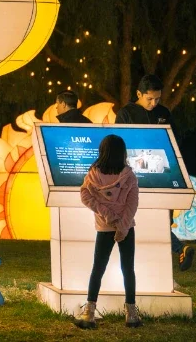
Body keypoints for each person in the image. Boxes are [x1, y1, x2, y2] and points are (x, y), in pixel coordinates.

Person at [113, 74, 193, 270]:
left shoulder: (163, 112)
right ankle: (178, 249)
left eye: (157, 99)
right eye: (150, 99)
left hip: (161, 171)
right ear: (139, 94)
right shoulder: (126, 113)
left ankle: (175, 251)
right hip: (135, 173)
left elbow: (174, 140)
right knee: (140, 216)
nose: (153, 103)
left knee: (161, 216)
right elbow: (119, 142)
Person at [76, 134, 141, 329]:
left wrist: (107, 215)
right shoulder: (129, 176)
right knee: (128, 269)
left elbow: (85, 196)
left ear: (102, 151)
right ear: (122, 152)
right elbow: (132, 204)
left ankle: (89, 312)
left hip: (104, 228)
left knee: (98, 269)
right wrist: (122, 226)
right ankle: (131, 314)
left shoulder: (93, 175)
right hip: (126, 228)